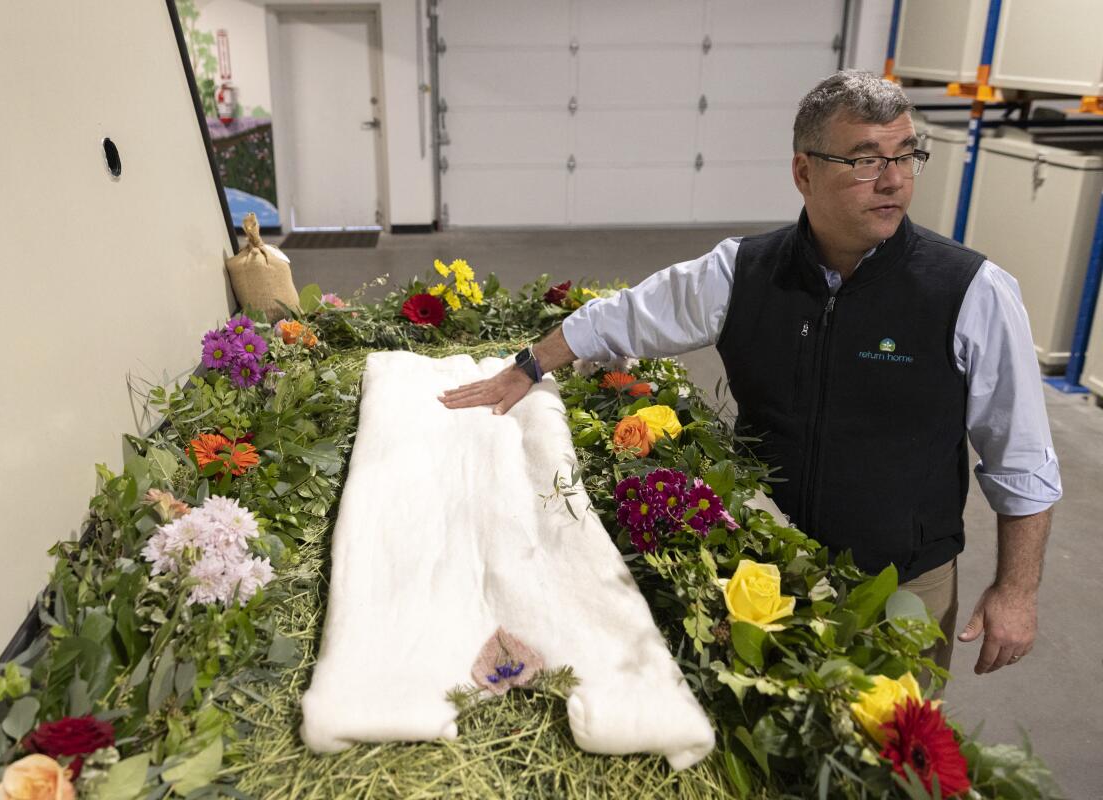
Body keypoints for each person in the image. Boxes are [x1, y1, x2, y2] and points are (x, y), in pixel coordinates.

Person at [439, 70, 1061, 681]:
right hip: (763, 573)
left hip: (902, 586)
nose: (893, 180)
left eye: (906, 156)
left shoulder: (969, 292)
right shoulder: (744, 271)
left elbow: (1022, 457)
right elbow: (625, 316)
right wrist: (527, 366)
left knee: (887, 763)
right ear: (803, 172)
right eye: (867, 160)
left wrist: (1017, 590)